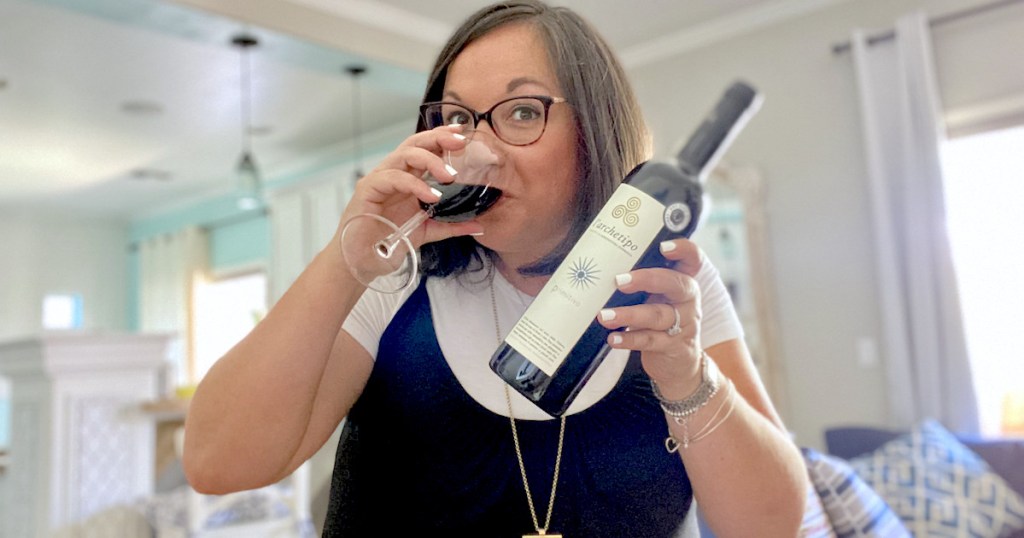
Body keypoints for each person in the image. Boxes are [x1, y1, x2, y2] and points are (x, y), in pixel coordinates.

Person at [183, 1, 808, 536]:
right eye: (458, 119)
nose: (480, 149)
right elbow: (217, 463)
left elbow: (771, 524)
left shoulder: (668, 286)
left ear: (594, 131)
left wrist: (684, 373)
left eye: (522, 112)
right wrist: (349, 258)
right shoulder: (395, 280)